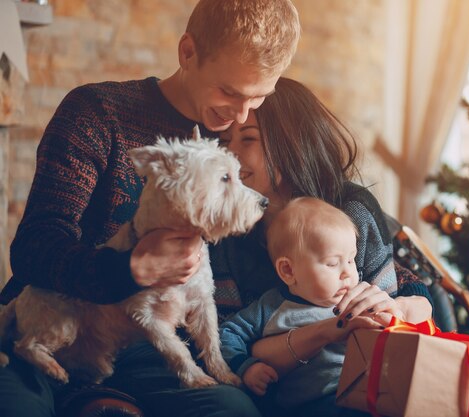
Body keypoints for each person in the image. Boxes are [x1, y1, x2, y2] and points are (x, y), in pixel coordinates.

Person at [0, 1, 300, 417]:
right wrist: (126, 271)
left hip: (148, 347)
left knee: (232, 410)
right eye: (228, 92)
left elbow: (309, 205)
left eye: (259, 97)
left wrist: (406, 287)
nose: (240, 115)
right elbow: (35, 246)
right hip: (59, 319)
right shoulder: (96, 113)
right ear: (188, 52)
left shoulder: (241, 138)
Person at [212, 77, 433, 417]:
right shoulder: (223, 229)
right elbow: (227, 342)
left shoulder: (351, 209)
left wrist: (398, 307)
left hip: (366, 386)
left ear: (291, 142)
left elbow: (394, 301)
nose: (231, 154)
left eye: (249, 138)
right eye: (226, 140)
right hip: (278, 397)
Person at [220, 197, 376, 417]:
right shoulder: (270, 307)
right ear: (288, 271)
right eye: (332, 263)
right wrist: (246, 366)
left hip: (363, 395)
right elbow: (226, 334)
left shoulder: (355, 300)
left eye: (351, 260)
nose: (347, 273)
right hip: (311, 406)